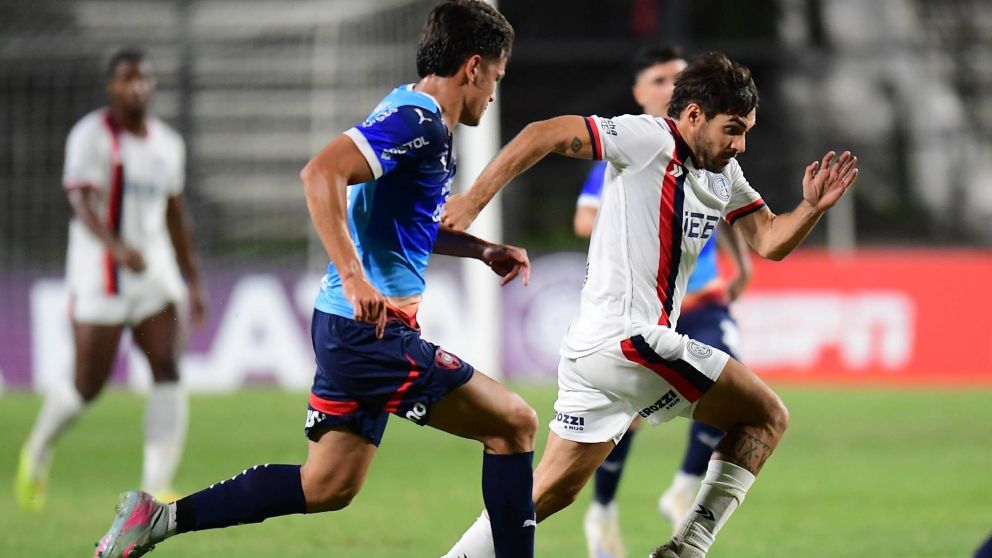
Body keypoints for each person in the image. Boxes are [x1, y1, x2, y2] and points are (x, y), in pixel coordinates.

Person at [91, 3, 538, 558]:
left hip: (349, 327)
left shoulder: (413, 115)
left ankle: (156, 519)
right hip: (369, 332)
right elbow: (320, 172)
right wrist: (353, 275)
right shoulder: (418, 122)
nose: (494, 91)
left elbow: (403, 221)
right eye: (496, 76)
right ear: (474, 67)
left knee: (327, 485)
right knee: (515, 424)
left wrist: (481, 249)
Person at [441, 52, 859, 558]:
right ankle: (690, 547)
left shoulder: (725, 174)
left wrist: (811, 208)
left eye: (746, 131)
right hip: (629, 342)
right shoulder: (646, 139)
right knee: (766, 416)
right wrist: (471, 202)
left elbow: (768, 240)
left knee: (544, 495)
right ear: (694, 115)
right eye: (732, 129)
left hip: (595, 351)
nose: (740, 144)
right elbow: (542, 133)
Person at [573, 45, 753, 558]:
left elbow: (731, 206)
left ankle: (683, 489)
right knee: (625, 414)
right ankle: (602, 510)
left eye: (677, 79)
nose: (668, 87)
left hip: (703, 299)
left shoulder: (715, 149)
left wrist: (743, 264)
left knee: (741, 395)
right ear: (638, 92)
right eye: (658, 79)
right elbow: (585, 219)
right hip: (643, 306)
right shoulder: (630, 144)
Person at [15, 47, 205, 512]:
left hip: (153, 276)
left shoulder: (167, 144)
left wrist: (192, 280)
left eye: (143, 79)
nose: (136, 87)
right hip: (100, 276)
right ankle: (37, 449)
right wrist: (116, 247)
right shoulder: (91, 136)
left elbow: (176, 215)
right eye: (127, 80)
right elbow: (80, 202)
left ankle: (155, 487)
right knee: (87, 386)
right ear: (111, 87)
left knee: (168, 367)